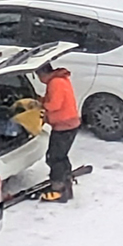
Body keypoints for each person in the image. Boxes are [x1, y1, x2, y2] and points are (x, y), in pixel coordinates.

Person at [36, 62, 81, 202]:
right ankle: (66, 180)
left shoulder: (55, 83)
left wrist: (40, 106)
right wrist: (41, 99)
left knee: (54, 157)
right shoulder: (60, 79)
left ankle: (58, 189)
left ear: (42, 74)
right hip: (69, 123)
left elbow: (54, 104)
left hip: (64, 125)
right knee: (61, 155)